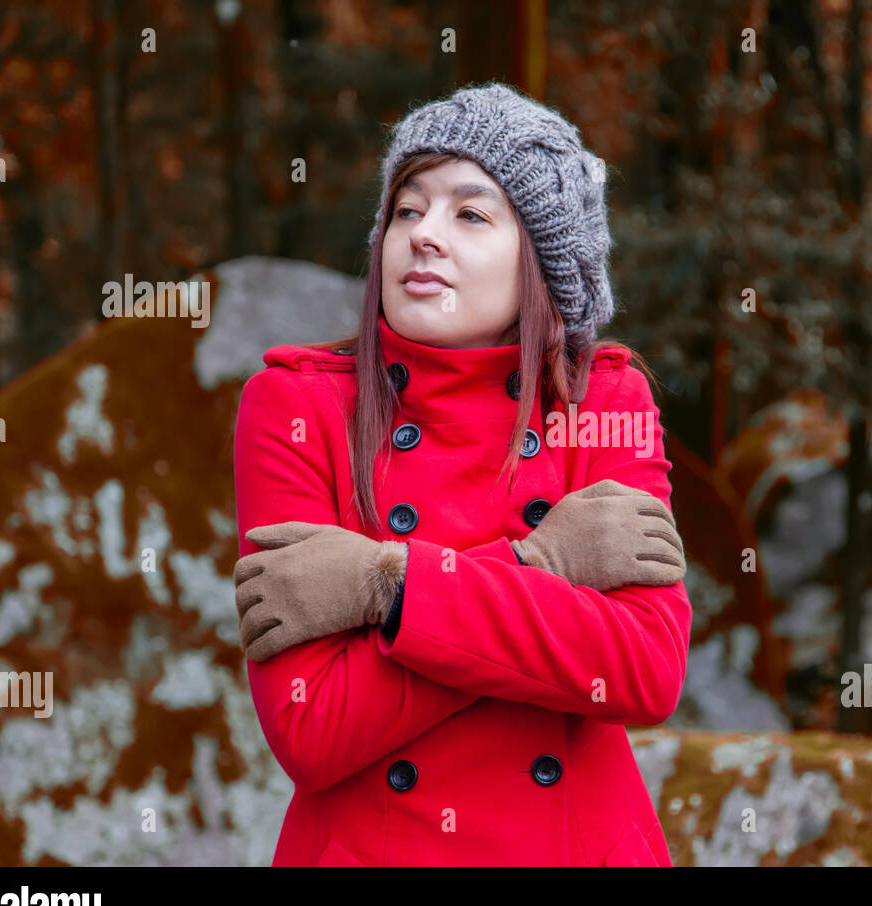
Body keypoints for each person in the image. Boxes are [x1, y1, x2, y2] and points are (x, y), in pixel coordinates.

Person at [231, 82, 693, 866]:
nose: (424, 235)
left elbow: (642, 670)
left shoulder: (605, 401)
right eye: (407, 209)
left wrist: (389, 587)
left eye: (470, 214)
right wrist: (541, 564)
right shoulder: (295, 407)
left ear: (540, 261)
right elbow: (313, 728)